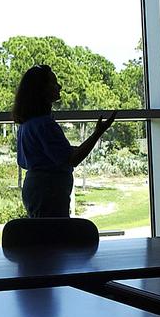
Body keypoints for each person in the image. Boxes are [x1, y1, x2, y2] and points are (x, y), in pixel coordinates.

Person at [12, 64, 116, 218]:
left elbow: (30, 160)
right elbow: (72, 159)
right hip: (49, 191)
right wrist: (98, 132)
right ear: (41, 90)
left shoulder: (27, 124)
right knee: (54, 237)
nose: (59, 86)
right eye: (53, 83)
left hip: (37, 188)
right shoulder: (45, 124)